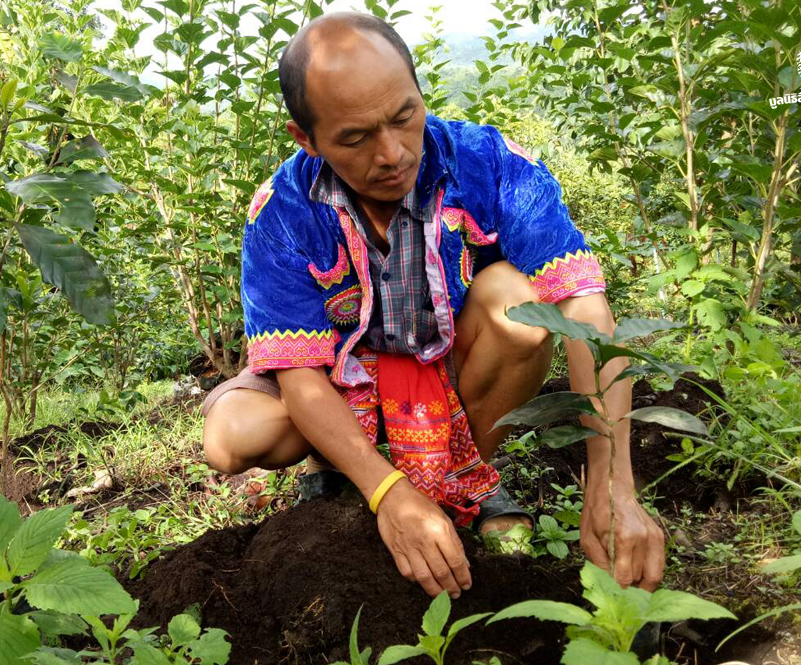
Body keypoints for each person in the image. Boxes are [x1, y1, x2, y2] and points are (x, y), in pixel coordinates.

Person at [200, 11, 666, 601]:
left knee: (517, 307)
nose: (393, 153)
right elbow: (301, 376)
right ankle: (344, 465)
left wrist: (612, 485)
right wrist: (387, 493)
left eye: (405, 117)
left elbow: (582, 307)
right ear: (307, 139)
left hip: (443, 362)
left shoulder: (487, 162)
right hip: (340, 376)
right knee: (231, 437)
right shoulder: (282, 211)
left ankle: (459, 478)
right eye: (355, 138)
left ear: (420, 93)